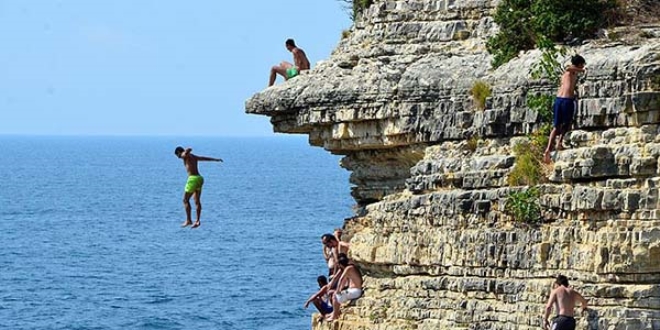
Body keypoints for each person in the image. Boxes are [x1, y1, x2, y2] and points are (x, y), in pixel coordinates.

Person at [543, 55, 586, 163]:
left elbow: (568, 85)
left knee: (556, 126)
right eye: (582, 64)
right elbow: (568, 68)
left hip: (558, 100)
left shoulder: (567, 74)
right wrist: (583, 70)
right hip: (566, 101)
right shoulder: (571, 71)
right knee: (566, 124)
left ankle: (549, 148)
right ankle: (559, 143)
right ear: (579, 64)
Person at [174, 146, 223, 228]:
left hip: (192, 179)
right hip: (199, 178)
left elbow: (185, 153)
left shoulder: (184, 155)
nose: (178, 157)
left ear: (179, 152)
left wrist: (187, 151)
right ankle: (197, 221)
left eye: (177, 155)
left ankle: (189, 220)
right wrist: (216, 159)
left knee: (185, 200)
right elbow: (204, 158)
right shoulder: (193, 156)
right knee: (197, 201)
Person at [326, 253, 363, 321]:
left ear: (340, 264)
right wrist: (337, 289)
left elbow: (341, 279)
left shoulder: (348, 269)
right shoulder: (350, 267)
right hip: (353, 290)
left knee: (335, 295)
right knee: (335, 294)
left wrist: (337, 291)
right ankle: (334, 313)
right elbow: (342, 281)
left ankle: (334, 316)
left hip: (355, 291)